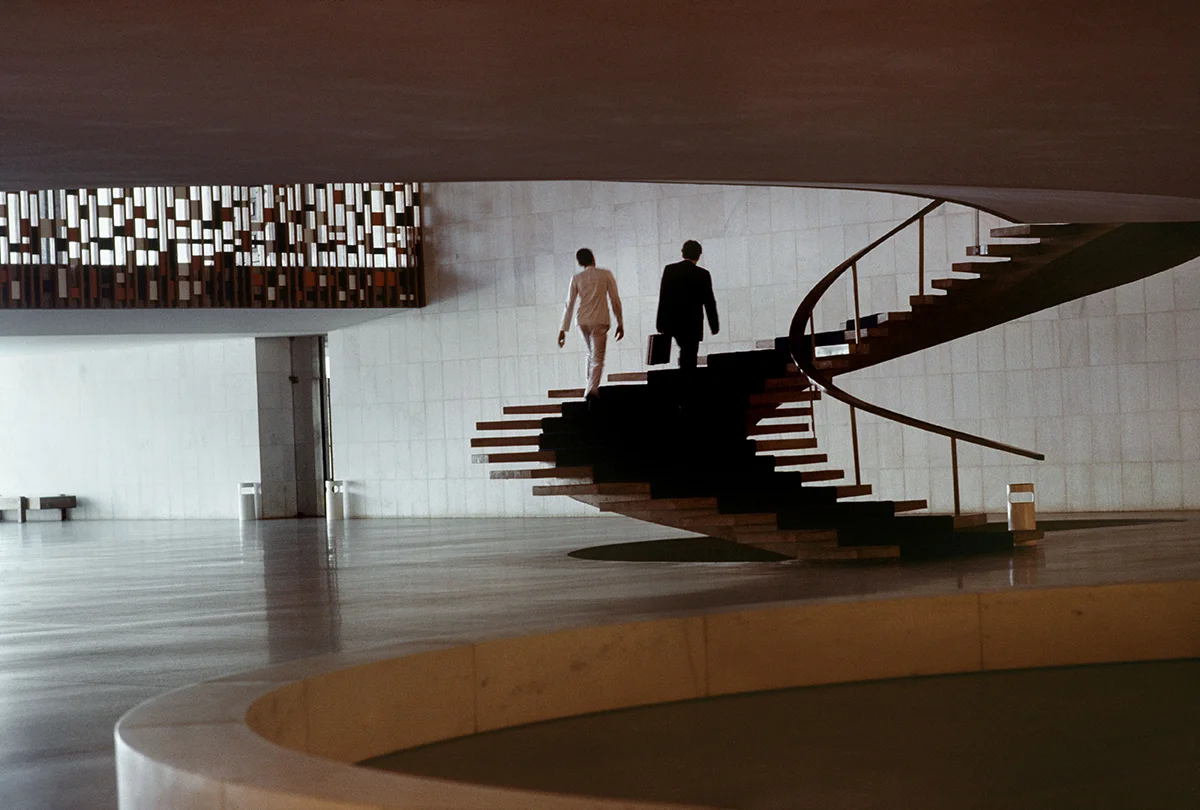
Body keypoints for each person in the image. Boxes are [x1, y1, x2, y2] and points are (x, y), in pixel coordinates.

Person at [558, 248, 624, 398]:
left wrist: (563, 329)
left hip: (582, 320)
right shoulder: (605, 274)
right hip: (600, 320)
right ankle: (592, 390)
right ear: (593, 258)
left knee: (591, 354)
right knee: (598, 358)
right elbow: (615, 300)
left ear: (580, 263)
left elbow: (569, 304)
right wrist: (620, 322)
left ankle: (589, 383)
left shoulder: (577, 278)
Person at [656, 239, 719, 369]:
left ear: (682, 253)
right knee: (689, 355)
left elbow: (664, 297)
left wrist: (660, 324)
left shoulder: (670, 270)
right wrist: (714, 325)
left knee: (683, 350)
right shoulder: (703, 274)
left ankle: (683, 381)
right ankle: (687, 382)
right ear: (698, 256)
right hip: (692, 323)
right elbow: (709, 302)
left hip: (673, 322)